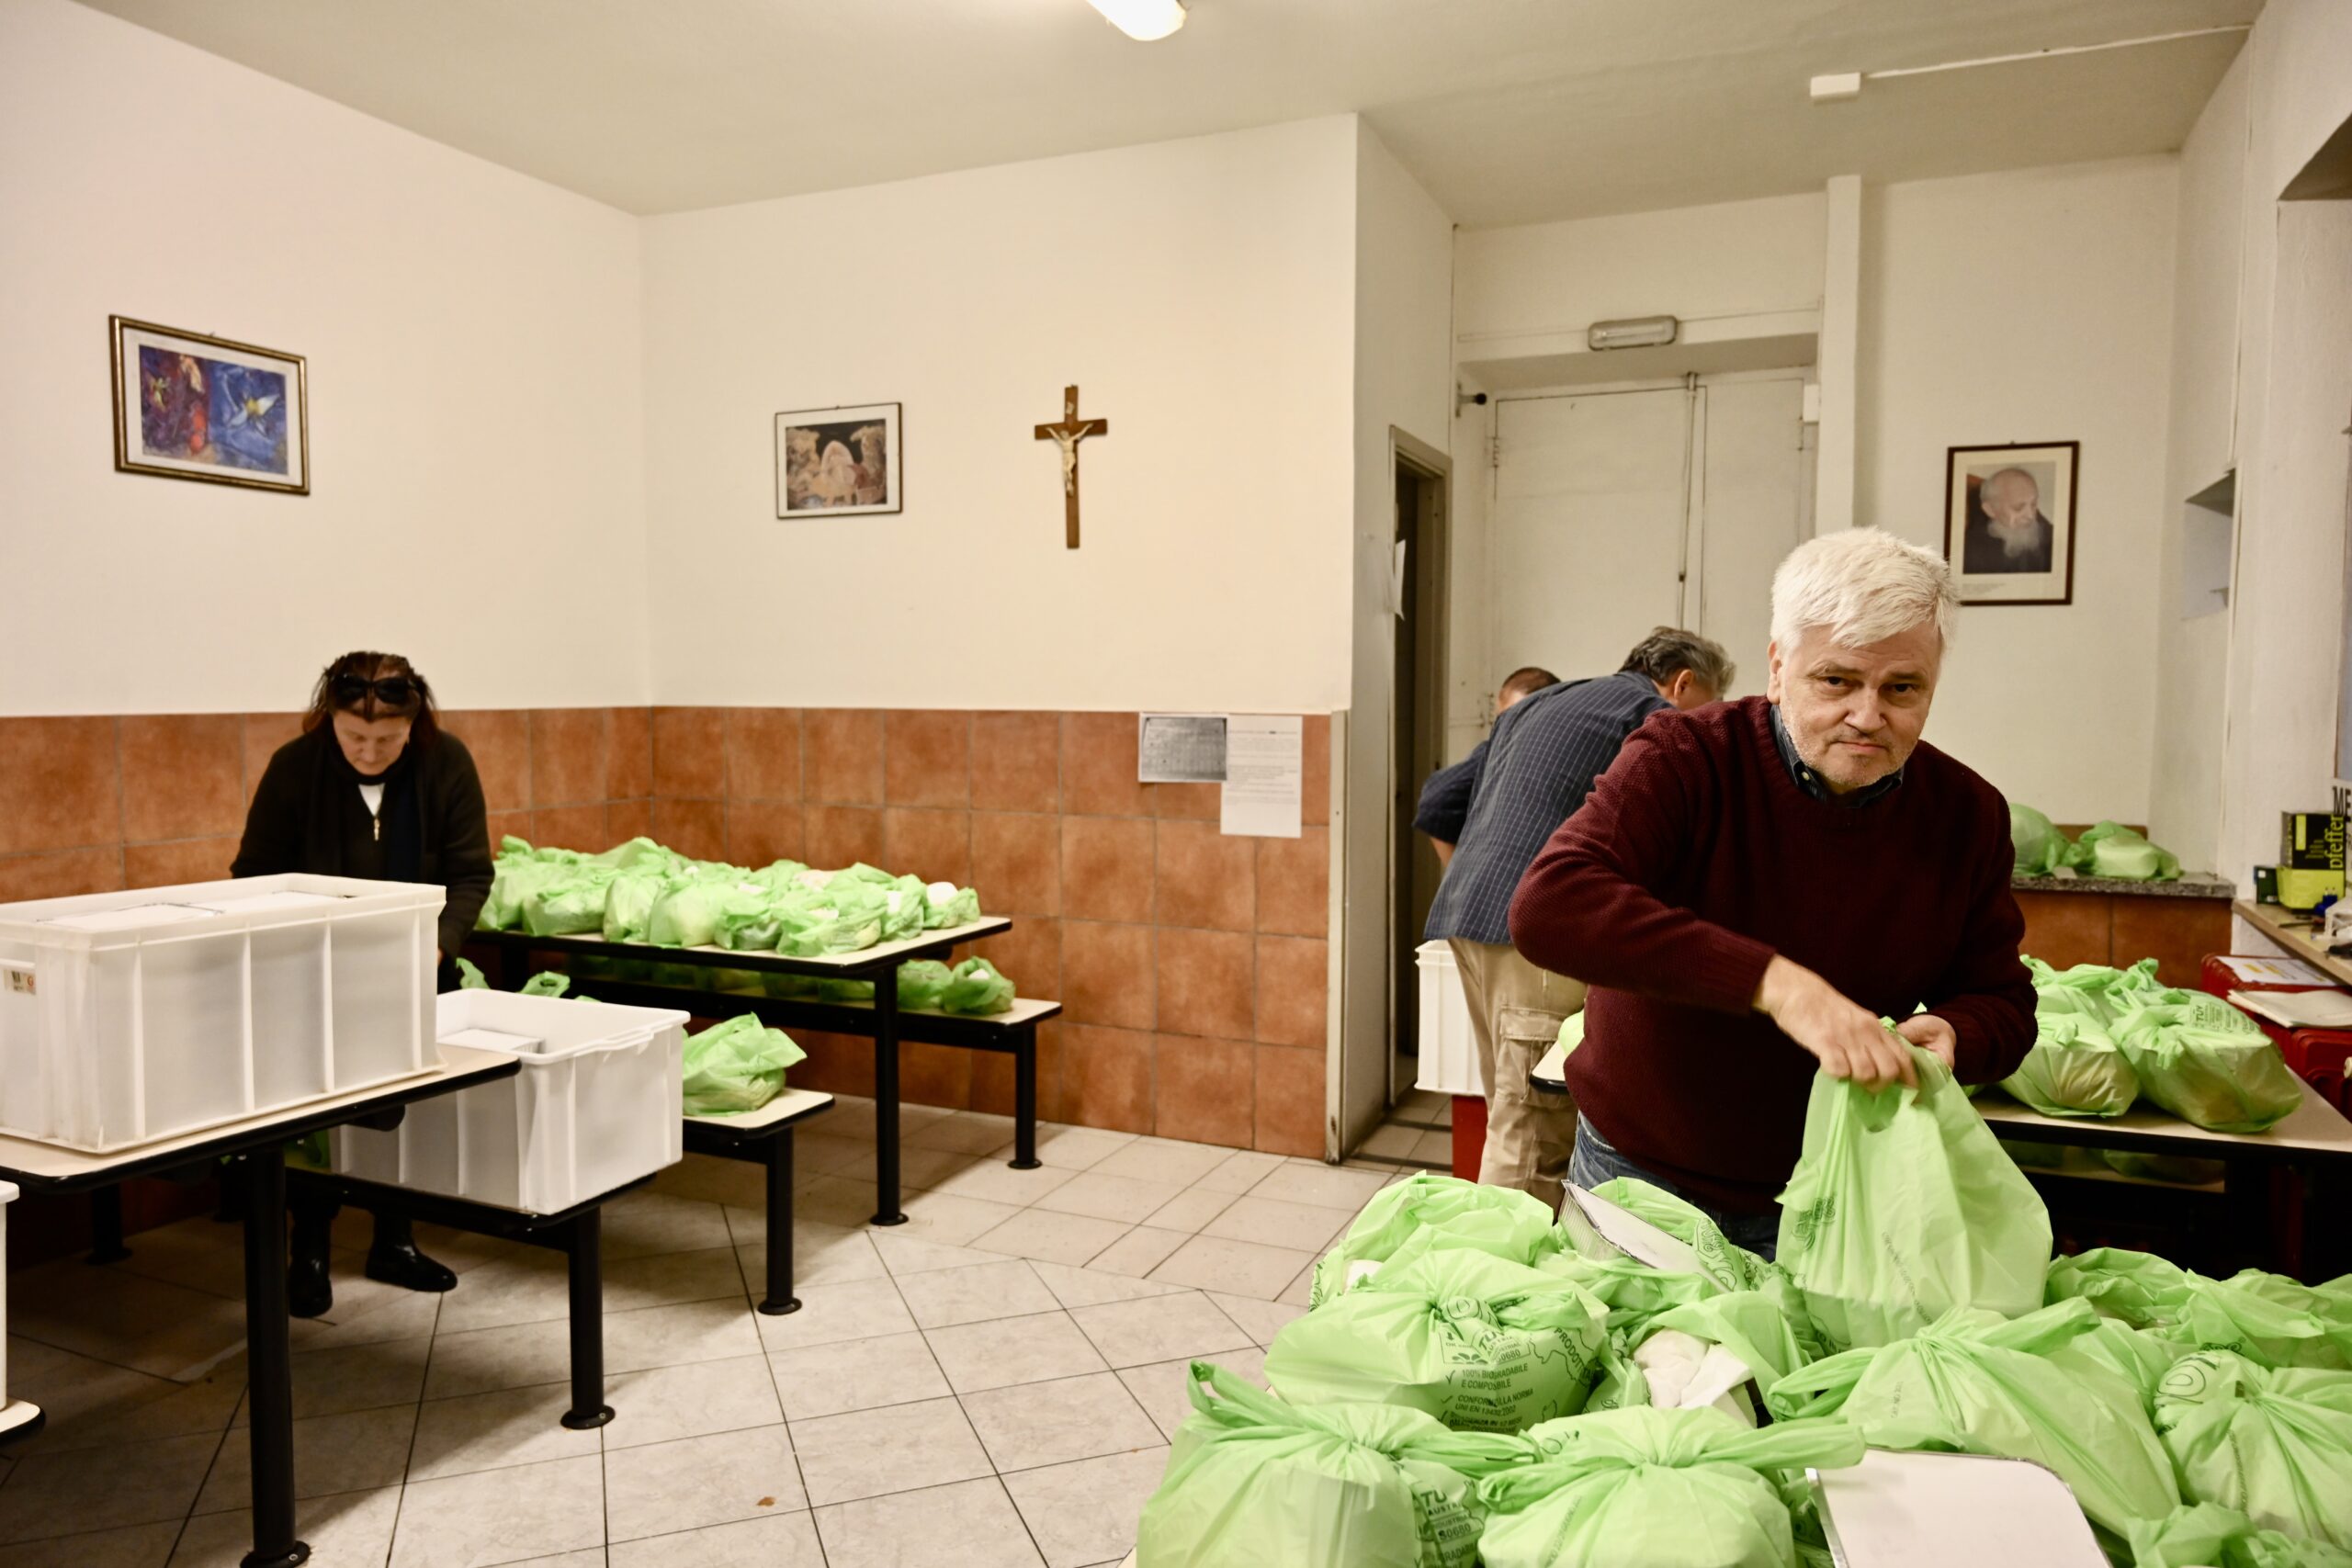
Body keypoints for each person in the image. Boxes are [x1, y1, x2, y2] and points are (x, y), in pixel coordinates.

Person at [1509, 530, 2036, 1257]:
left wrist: (1959, 1034)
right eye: (1837, 681)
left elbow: (2003, 1000)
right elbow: (1552, 905)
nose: (1868, 714)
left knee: (1801, 1374)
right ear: (1779, 669)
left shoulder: (1967, 815)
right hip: (1643, 1180)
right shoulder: (1685, 759)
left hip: (1839, 1192)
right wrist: (1778, 984)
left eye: (1902, 688)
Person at [1415, 629, 1733, 1206]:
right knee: (1534, 1135)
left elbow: (1443, 797)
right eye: (1707, 705)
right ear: (1685, 683)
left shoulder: (1544, 700)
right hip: (1531, 934)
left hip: (1466, 915)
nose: (1702, 720)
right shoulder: (1654, 715)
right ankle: (1504, 1288)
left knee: (1509, 1115)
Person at [232, 651, 494, 1316]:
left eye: (388, 739)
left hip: (415, 972)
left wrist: (439, 943)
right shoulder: (296, 768)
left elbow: (470, 873)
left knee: (400, 1112)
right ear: (330, 720)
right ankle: (309, 1250)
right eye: (355, 737)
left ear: (416, 724)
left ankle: (394, 1240)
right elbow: (256, 873)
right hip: (311, 981)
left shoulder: (445, 764)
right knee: (316, 1117)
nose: (371, 751)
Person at [1418, 666, 1558, 870]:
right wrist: (1461, 875)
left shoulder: (1509, 750)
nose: (1511, 730)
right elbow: (1435, 801)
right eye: (1506, 721)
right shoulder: (1498, 752)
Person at [1962, 467, 2053, 575]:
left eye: (2033, 504)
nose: (2030, 516)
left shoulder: (2049, 535)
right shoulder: (1971, 552)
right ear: (1990, 510)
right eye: (2018, 507)